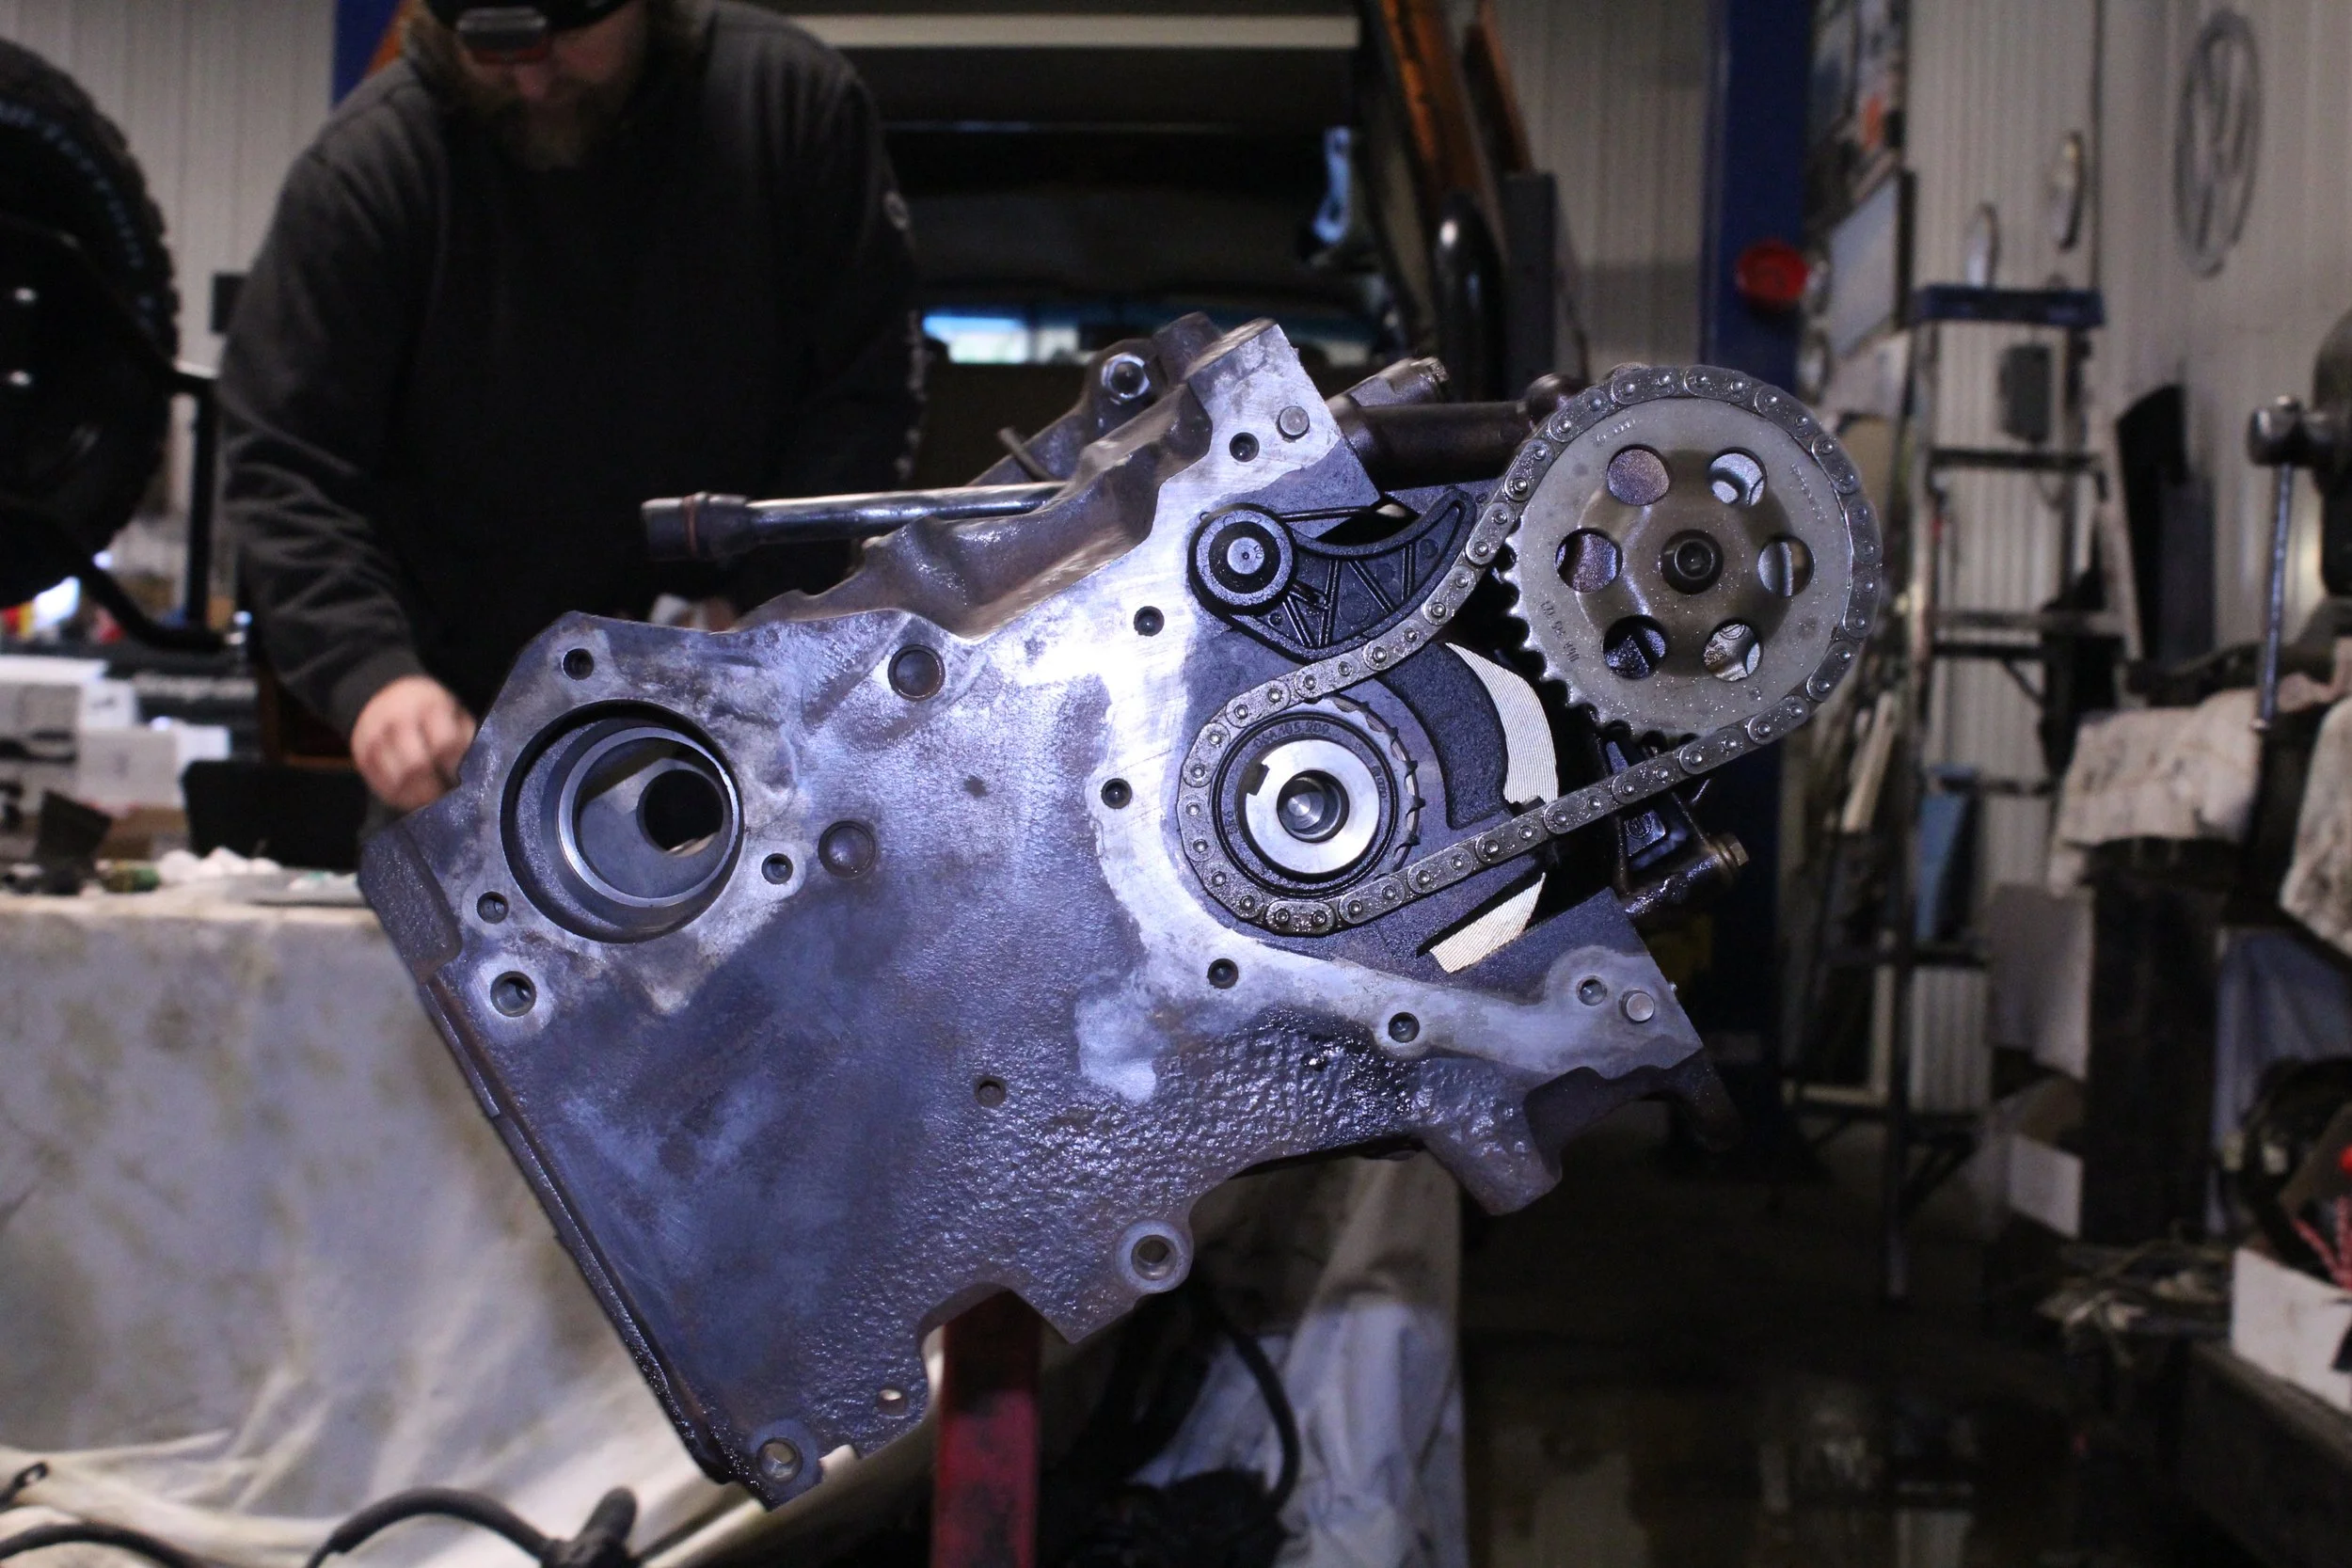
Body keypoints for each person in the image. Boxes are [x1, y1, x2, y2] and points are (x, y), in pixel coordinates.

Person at [222, 0, 922, 812]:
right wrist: (373, 676)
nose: (531, 72)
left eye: (565, 36)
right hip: (472, 756)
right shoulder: (371, 170)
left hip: (755, 724)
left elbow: (865, 397)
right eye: (490, 49)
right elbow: (284, 467)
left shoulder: (787, 111)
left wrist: (763, 603)